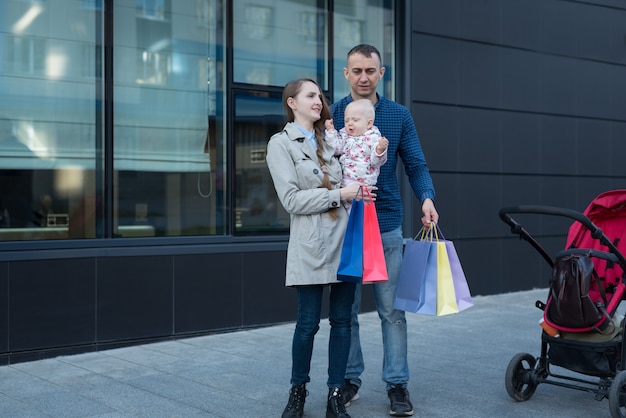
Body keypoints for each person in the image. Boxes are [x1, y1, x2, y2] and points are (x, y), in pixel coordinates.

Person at [330, 44, 439, 417]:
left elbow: (416, 163)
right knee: (345, 312)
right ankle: (349, 380)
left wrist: (426, 197)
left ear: (382, 73)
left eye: (370, 71)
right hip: (342, 227)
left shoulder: (398, 115)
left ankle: (397, 384)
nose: (363, 77)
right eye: (356, 70)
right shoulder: (333, 115)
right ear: (346, 73)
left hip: (387, 224)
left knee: (391, 311)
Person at [266, 78, 372, 418]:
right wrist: (339, 194)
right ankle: (297, 393)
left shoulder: (332, 140)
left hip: (345, 240)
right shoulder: (281, 144)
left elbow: (362, 162)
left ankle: (335, 396)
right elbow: (292, 200)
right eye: (310, 95)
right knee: (307, 323)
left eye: (320, 96)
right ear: (292, 102)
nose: (318, 100)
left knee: (343, 321)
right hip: (310, 243)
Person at [324, 98, 389, 196]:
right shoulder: (344, 135)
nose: (350, 123)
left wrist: (380, 150)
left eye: (355, 120)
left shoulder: (373, 138)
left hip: (364, 181)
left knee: (359, 208)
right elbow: (335, 149)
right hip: (343, 180)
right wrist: (331, 131)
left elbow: (376, 162)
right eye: (346, 120)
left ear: (369, 123)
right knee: (343, 208)